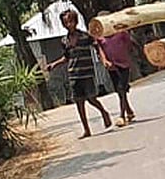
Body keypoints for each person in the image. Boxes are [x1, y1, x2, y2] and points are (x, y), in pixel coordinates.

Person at [45, 10, 115, 138]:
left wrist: (104, 60)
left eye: (70, 21)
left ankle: (104, 112)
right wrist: (54, 64)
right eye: (65, 22)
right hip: (73, 74)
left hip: (87, 73)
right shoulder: (64, 40)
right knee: (79, 102)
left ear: (76, 21)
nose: (68, 24)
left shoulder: (85, 36)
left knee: (91, 98)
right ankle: (86, 129)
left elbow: (97, 47)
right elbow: (66, 57)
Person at [96, 10, 139, 126]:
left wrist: (127, 54)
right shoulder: (100, 37)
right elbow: (100, 50)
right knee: (120, 90)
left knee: (121, 89)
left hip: (123, 64)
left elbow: (129, 44)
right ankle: (129, 111)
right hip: (111, 67)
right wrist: (105, 61)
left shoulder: (121, 32)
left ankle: (122, 116)